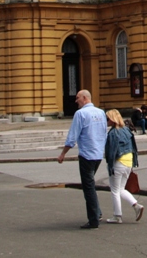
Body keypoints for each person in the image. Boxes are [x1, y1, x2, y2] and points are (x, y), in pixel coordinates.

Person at [57, 90, 108, 229]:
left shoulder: (80, 114)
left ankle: (94, 220)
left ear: (85, 98)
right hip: (98, 155)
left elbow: (72, 137)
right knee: (90, 184)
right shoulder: (101, 113)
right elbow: (104, 133)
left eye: (77, 98)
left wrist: (63, 154)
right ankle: (97, 213)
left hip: (86, 155)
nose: (75, 101)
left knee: (88, 187)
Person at [103, 110, 144, 223]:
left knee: (115, 191)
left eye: (108, 119)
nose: (106, 121)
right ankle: (136, 206)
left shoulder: (113, 133)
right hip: (128, 163)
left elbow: (111, 153)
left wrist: (109, 165)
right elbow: (133, 147)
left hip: (118, 163)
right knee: (121, 189)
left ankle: (117, 216)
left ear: (113, 119)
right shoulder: (126, 130)